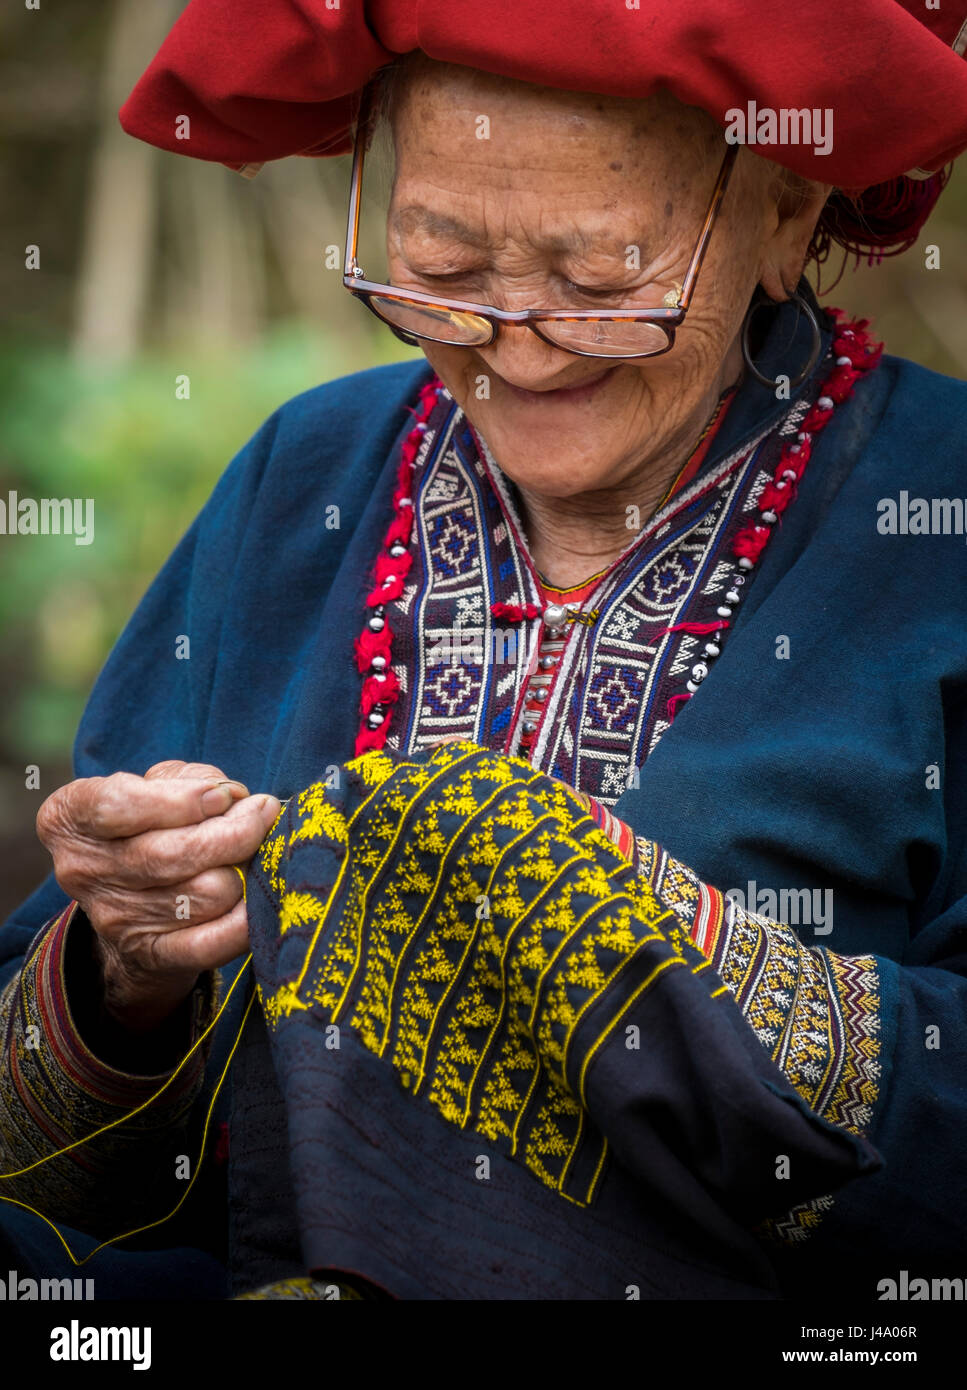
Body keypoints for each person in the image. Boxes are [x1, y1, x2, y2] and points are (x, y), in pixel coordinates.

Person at [2, 0, 967, 1299]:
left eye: (599, 279)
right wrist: (121, 967)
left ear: (786, 212)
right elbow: (48, 1162)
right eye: (443, 264)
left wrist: (700, 978)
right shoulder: (305, 480)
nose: (511, 340)